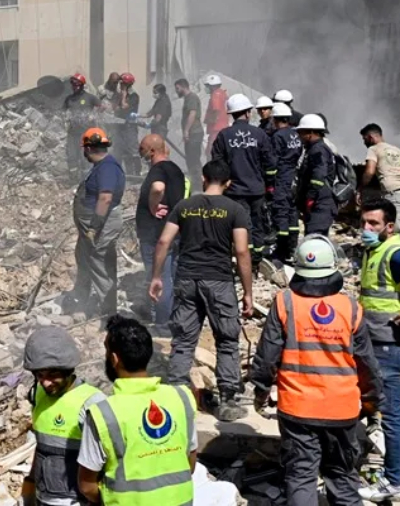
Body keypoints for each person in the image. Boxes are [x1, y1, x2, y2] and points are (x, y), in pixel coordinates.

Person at [251, 236, 381, 506]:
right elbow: (366, 364)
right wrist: (372, 402)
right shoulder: (350, 308)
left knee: (301, 476)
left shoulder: (285, 303)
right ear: (333, 266)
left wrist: (261, 392)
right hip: (342, 410)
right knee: (343, 477)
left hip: (298, 409)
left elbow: (267, 358)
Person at [152, 160, 252, 421]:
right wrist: (248, 292)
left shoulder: (184, 206)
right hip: (219, 281)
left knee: (184, 340)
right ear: (228, 183)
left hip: (187, 279)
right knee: (227, 340)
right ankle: (228, 401)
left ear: (203, 179)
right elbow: (242, 251)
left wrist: (156, 276)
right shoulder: (235, 209)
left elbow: (163, 241)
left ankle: (176, 398)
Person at [78, 316, 197, 506]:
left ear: (114, 358)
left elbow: (87, 486)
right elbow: (190, 464)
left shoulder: (103, 414)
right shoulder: (182, 398)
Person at [21, 327, 105, 506]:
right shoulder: (39, 395)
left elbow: (107, 460)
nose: (46, 382)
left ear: (68, 370)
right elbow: (42, 446)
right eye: (40, 375)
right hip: (43, 499)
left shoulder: (91, 402)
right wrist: (30, 482)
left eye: (53, 374)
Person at [359, 200, 400, 501]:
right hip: (374, 342)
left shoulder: (394, 253)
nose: (366, 228)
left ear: (389, 226)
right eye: (364, 222)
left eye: (373, 223)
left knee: (392, 415)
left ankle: (394, 480)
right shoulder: (373, 251)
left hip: (389, 345)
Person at [210, 93, 276, 267]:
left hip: (234, 191)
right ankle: (256, 259)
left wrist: (222, 185)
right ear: (248, 113)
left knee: (241, 226)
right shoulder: (260, 134)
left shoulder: (224, 135)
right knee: (257, 223)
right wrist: (269, 185)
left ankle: (244, 258)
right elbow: (270, 163)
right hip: (257, 190)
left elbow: (217, 163)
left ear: (231, 114)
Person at [71, 128, 125, 317]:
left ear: (87, 149)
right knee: (85, 258)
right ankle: (81, 300)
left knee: (99, 260)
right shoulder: (101, 166)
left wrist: (94, 227)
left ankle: (108, 313)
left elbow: (105, 198)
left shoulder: (108, 168)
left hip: (101, 223)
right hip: (92, 225)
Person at [136, 134, 189, 326]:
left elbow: (158, 188)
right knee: (171, 277)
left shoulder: (158, 170)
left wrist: (152, 207)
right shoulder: (176, 169)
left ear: (152, 151)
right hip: (174, 232)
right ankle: (174, 317)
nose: (139, 152)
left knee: (159, 278)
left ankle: (162, 324)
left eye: (142, 149)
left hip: (156, 235)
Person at [270, 103, 302, 263]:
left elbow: (273, 161)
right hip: (294, 178)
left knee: (281, 212)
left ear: (275, 119)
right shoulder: (296, 134)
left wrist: (269, 181)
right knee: (292, 212)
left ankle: (281, 250)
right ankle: (292, 248)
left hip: (282, 178)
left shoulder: (277, 136)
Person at [296, 114, 337, 236]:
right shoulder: (315, 148)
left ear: (311, 133)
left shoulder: (318, 150)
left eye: (301, 132)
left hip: (320, 203)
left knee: (314, 237)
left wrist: (310, 197)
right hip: (319, 203)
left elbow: (318, 175)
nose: (299, 136)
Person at [64, 74, 101, 180]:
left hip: (85, 132)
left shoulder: (90, 97)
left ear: (82, 85)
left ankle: (86, 179)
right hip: (72, 132)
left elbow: (101, 107)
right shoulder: (69, 99)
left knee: (84, 156)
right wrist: (66, 118)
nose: (74, 87)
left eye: (77, 85)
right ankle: (73, 179)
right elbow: (64, 111)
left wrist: (93, 115)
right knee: (72, 156)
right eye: (73, 85)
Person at [362, 124, 400, 209]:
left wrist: (360, 189)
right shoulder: (396, 149)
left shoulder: (373, 149)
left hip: (393, 194)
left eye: (364, 139)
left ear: (370, 137)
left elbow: (369, 172)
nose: (364, 143)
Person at [175, 79, 203, 185]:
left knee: (194, 160)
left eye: (177, 88)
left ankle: (198, 184)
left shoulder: (192, 97)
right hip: (192, 134)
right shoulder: (187, 98)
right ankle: (195, 182)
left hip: (194, 133)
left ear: (183, 87)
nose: (176, 91)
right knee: (190, 160)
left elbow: (192, 114)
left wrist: (186, 131)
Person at [113, 73, 141, 175]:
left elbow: (124, 106)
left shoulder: (134, 96)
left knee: (133, 150)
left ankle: (137, 173)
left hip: (130, 127)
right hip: (121, 126)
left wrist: (124, 95)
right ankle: (129, 174)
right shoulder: (120, 95)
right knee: (123, 151)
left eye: (122, 84)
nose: (120, 85)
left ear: (127, 85)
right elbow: (116, 108)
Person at [203, 74, 228, 157]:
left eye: (207, 86)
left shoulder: (215, 95)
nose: (206, 88)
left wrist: (211, 120)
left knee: (210, 152)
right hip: (223, 127)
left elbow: (216, 110)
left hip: (216, 128)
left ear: (212, 86)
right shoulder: (222, 93)